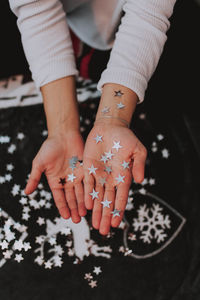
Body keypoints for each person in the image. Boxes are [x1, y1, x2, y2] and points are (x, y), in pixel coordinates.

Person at [8, 0, 176, 235]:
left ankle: (89, 54)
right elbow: (36, 9)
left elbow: (149, 13)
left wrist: (113, 119)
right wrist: (61, 129)